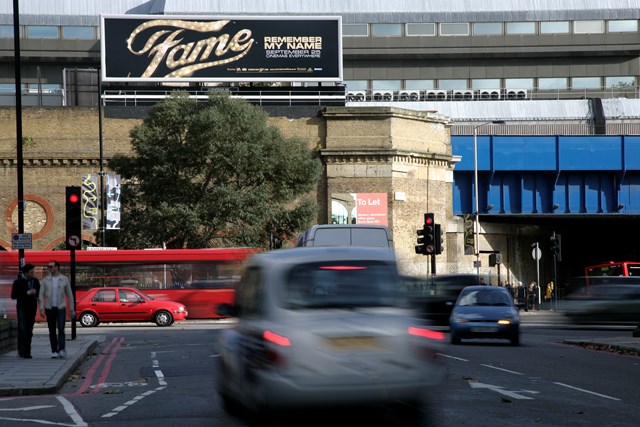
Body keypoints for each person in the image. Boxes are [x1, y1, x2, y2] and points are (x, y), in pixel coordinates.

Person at [39, 261, 75, 359]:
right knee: (51, 330)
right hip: (49, 308)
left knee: (61, 329)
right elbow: (41, 295)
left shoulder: (64, 279)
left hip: (61, 308)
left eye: (50, 266)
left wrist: (72, 309)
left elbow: (70, 295)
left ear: (57, 267)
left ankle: (62, 349)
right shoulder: (46, 280)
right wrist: (41, 308)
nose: (49, 268)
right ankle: (54, 350)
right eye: (48, 266)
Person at [10, 263, 40, 359]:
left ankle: (27, 351)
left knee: (29, 330)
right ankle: (21, 350)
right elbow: (13, 295)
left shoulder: (35, 281)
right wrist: (26, 293)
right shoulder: (18, 282)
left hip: (32, 307)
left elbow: (39, 292)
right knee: (22, 329)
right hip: (22, 307)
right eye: (31, 272)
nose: (33, 273)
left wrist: (36, 292)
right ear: (26, 272)